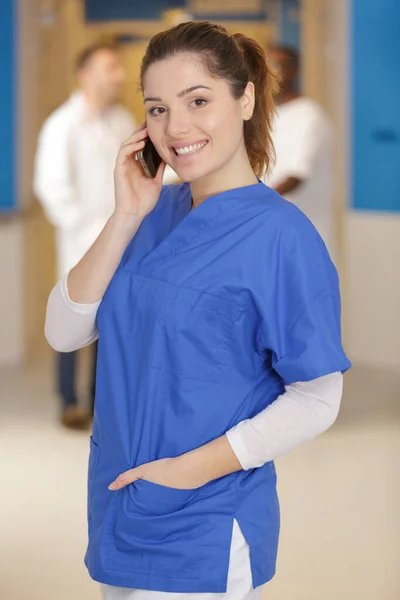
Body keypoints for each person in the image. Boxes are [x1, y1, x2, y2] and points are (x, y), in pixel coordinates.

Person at [44, 21, 351, 600]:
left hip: (205, 520)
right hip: (121, 502)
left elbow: (318, 398)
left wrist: (185, 472)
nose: (175, 127)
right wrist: (125, 215)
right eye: (156, 108)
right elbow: (64, 331)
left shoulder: (281, 237)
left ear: (246, 99)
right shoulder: (150, 214)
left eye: (198, 101)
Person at [34, 43, 136, 429]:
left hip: (120, 238)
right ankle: (68, 401)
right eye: (109, 67)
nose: (118, 75)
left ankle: (96, 404)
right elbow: (51, 186)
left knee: (106, 324)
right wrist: (90, 229)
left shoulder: (121, 119)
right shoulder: (63, 124)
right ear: (85, 74)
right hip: (81, 241)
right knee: (72, 320)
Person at [263, 45, 335, 257]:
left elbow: (295, 177)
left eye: (276, 65)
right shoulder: (263, 117)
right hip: (267, 231)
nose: (270, 73)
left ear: (294, 71)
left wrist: (249, 204)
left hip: (301, 234)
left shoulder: (309, 116)